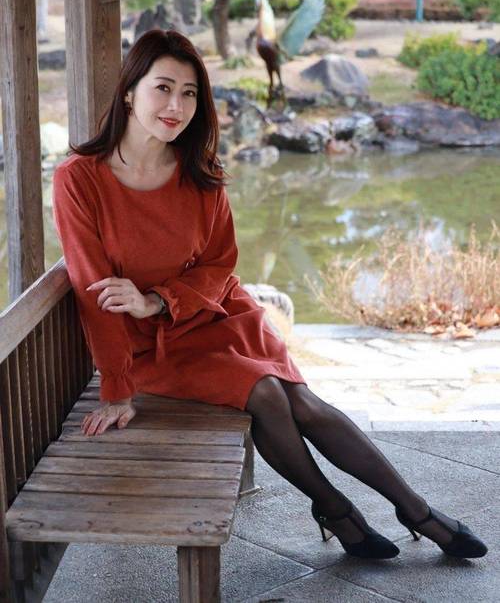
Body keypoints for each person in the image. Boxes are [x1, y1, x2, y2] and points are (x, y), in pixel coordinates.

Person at [52, 29, 487, 561]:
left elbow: (219, 265)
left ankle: (414, 509)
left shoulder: (201, 174)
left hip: (221, 316)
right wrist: (118, 386)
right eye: (162, 88)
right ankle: (335, 508)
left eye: (189, 93)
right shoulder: (80, 179)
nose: (176, 107)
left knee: (303, 402)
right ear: (128, 92)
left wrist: (159, 299)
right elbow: (92, 291)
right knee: (265, 393)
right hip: (154, 346)